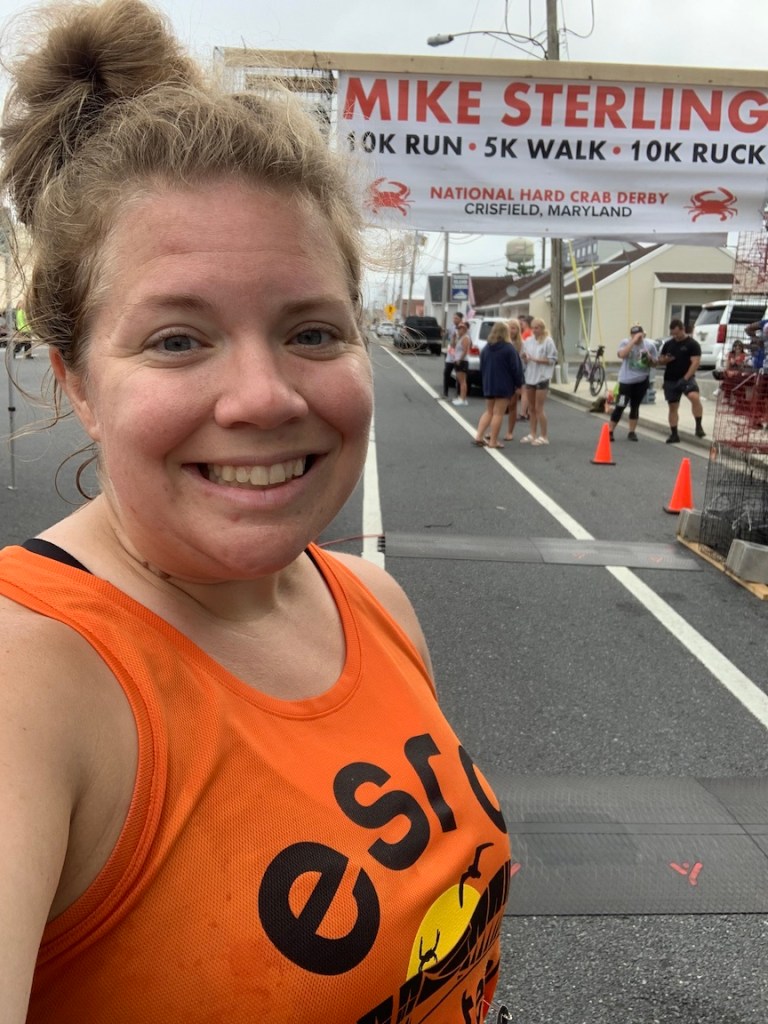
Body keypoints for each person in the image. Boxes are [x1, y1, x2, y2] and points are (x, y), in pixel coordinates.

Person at [0, 3, 511, 1021]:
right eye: (179, 340)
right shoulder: (31, 681)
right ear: (77, 382)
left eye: (313, 331)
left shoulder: (374, 602)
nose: (266, 397)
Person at [472, 321, 524, 448]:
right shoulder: (509, 348)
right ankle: (493, 441)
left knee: (489, 411)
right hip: (504, 384)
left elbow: (482, 366)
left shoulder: (486, 348)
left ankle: (479, 436)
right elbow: (516, 369)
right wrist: (519, 384)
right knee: (498, 413)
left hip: (489, 383)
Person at [607, 325, 658, 442]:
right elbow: (622, 355)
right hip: (626, 381)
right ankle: (610, 430)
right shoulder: (625, 342)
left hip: (641, 381)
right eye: (633, 335)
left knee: (635, 406)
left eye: (639, 335)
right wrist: (633, 342)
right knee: (620, 405)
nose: (637, 337)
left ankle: (632, 432)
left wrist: (650, 359)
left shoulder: (649, 345)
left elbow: (655, 364)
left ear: (643, 334)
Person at [657, 318, 705, 443]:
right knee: (673, 406)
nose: (675, 336)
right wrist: (665, 360)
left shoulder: (692, 344)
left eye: (677, 333)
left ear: (682, 329)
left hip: (686, 377)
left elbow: (695, 363)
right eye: (673, 334)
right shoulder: (668, 344)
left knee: (694, 397)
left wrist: (685, 378)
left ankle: (698, 425)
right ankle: (674, 434)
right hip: (670, 379)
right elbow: (660, 359)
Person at [519, 317, 558, 445]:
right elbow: (525, 359)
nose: (534, 330)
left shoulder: (548, 341)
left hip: (542, 377)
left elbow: (552, 359)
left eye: (537, 327)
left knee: (538, 407)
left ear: (542, 328)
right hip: (530, 376)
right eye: (533, 327)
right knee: (531, 408)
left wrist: (536, 359)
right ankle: (532, 433)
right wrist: (525, 357)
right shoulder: (528, 341)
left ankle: (544, 436)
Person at [504, 317, 527, 436]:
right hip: (502, 377)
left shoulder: (522, 344)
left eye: (513, 328)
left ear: (518, 330)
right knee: (499, 406)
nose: (511, 330)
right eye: (509, 328)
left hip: (514, 378)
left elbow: (523, 364)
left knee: (513, 405)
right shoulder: (502, 342)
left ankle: (509, 432)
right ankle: (492, 431)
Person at [451, 320, 471, 405]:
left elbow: (465, 350)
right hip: (457, 360)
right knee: (460, 380)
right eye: (458, 329)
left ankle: (463, 399)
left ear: (465, 329)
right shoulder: (460, 338)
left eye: (461, 329)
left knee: (462, 381)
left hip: (462, 361)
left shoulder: (465, 338)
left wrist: (460, 359)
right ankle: (461, 397)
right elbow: (453, 346)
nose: (459, 330)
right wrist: (454, 337)